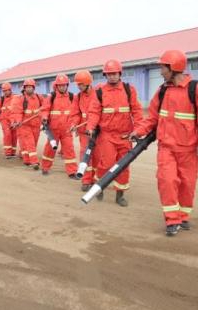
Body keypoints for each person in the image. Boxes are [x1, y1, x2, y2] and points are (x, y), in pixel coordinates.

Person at [131, 50, 198, 236]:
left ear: (174, 68)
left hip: (189, 149)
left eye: (163, 67)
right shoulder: (162, 91)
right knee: (167, 181)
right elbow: (152, 118)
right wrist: (138, 131)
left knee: (187, 184)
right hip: (166, 148)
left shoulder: (196, 89)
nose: (161, 72)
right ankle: (172, 220)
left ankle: (183, 217)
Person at [86, 59, 143, 206]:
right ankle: (100, 187)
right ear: (105, 75)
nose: (112, 76)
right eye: (109, 74)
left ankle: (120, 195)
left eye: (114, 73)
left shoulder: (129, 90)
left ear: (120, 73)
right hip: (107, 136)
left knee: (123, 166)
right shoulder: (99, 91)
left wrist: (138, 129)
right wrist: (91, 127)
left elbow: (136, 111)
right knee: (106, 164)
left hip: (125, 135)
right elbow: (94, 112)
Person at [40, 74, 78, 177]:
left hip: (67, 130)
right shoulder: (51, 97)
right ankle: (45, 167)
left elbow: (75, 113)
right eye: (60, 85)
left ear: (67, 85)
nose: (62, 87)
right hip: (53, 130)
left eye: (64, 85)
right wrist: (44, 118)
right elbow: (45, 109)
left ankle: (72, 171)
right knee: (50, 149)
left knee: (69, 150)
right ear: (56, 86)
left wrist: (74, 124)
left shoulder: (72, 97)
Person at [69, 70, 97, 191]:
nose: (79, 87)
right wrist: (74, 124)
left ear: (87, 83)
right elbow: (75, 113)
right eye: (78, 84)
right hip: (84, 131)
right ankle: (86, 180)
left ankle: (95, 180)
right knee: (85, 155)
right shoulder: (78, 97)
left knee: (98, 156)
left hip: (97, 130)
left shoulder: (98, 94)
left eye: (80, 84)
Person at [11, 78, 43, 169]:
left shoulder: (38, 97)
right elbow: (17, 112)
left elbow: (45, 107)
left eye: (30, 87)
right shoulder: (21, 99)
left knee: (33, 143)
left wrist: (43, 114)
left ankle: (26, 159)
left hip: (36, 125)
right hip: (25, 125)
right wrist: (18, 121)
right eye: (27, 87)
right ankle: (34, 162)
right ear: (24, 88)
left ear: (34, 88)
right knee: (30, 143)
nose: (29, 89)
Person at [0, 82, 18, 158]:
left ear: (10, 90)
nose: (6, 92)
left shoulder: (16, 98)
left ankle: (13, 152)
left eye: (7, 90)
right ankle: (8, 153)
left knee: (14, 136)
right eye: (4, 91)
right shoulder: (2, 99)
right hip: (4, 120)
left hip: (14, 120)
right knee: (7, 135)